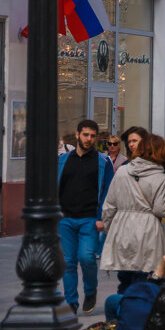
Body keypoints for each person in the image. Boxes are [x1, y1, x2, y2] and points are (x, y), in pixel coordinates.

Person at [100, 133, 165, 294]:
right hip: (148, 231)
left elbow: (109, 206)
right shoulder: (160, 177)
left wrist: (111, 231)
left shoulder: (122, 171)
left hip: (122, 227)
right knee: (143, 279)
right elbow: (160, 209)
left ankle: (120, 312)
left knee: (124, 278)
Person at [58, 119, 114, 314]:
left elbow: (108, 191)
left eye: (92, 135)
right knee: (68, 262)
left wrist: (101, 217)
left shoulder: (102, 162)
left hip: (90, 218)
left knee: (87, 257)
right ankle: (71, 302)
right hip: (65, 219)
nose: (88, 139)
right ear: (77, 135)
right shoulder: (64, 160)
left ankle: (90, 291)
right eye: (85, 135)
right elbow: (57, 186)